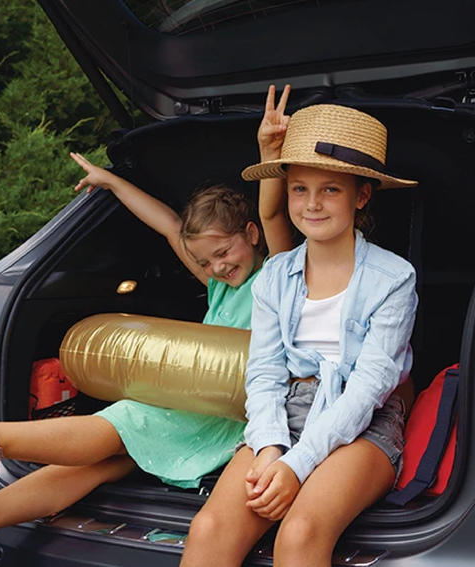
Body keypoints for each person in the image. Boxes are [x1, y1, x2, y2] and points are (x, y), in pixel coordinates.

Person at [0, 85, 296, 529]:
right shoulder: (217, 285)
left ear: (252, 234)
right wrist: (113, 181)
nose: (217, 266)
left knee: (122, 421)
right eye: (206, 261)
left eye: (224, 252)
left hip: (225, 416)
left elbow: (274, 215)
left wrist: (268, 150)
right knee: (91, 466)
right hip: (185, 408)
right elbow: (169, 226)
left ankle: (1, 438)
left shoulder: (277, 276)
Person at [180, 96, 419, 567]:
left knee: (300, 532)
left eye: (330, 189)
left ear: (362, 195)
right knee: (210, 528)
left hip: (364, 420)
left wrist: (297, 463)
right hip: (286, 410)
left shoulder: (395, 279)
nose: (311, 204)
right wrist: (270, 446)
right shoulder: (273, 275)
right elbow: (265, 371)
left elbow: (369, 387)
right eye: (298, 189)